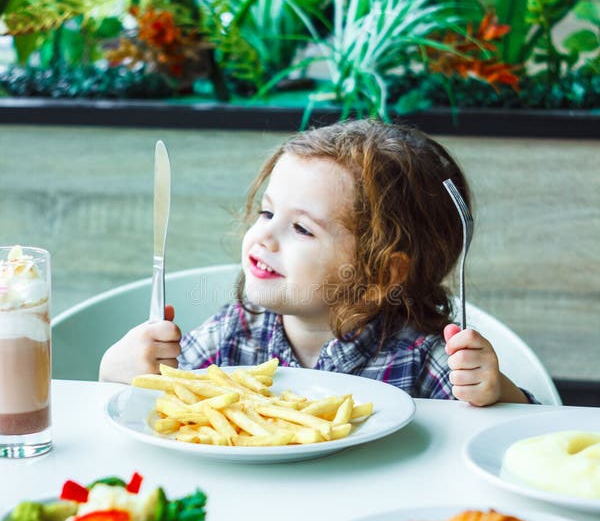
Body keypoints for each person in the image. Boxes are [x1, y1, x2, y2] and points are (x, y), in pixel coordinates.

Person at [100, 120, 534, 405]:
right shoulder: (234, 335)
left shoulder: (421, 358)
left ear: (382, 273)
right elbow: (159, 403)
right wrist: (121, 377)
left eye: (302, 229)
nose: (263, 235)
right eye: (267, 213)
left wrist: (496, 394)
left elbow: (523, 439)